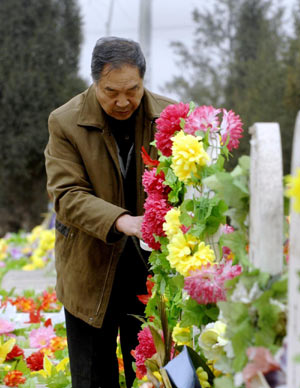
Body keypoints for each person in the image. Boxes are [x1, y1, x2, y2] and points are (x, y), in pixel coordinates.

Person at [45, 37, 175, 387]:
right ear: (94, 83)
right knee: (92, 378)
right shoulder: (65, 122)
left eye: (132, 90)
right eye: (110, 91)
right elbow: (67, 195)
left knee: (154, 377)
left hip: (151, 276)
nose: (122, 101)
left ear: (143, 80)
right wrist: (123, 221)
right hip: (89, 271)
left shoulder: (170, 117)